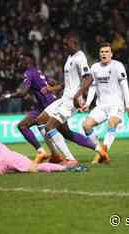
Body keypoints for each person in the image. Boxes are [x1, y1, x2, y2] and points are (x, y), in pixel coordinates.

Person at [3, 53, 96, 163]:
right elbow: (52, 82)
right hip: (48, 103)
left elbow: (22, 92)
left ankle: (50, 153)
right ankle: (97, 148)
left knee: (26, 125)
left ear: (27, 63)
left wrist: (9, 96)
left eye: (21, 61)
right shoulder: (39, 72)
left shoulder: (29, 73)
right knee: (66, 133)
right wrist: (48, 88)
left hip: (46, 105)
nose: (19, 63)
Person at [34, 32, 110, 167]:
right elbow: (69, 82)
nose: (64, 46)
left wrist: (78, 94)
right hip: (64, 98)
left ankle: (70, 159)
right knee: (41, 121)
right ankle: (98, 150)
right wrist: (53, 89)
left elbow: (88, 78)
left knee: (49, 126)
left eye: (66, 44)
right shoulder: (70, 57)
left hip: (71, 101)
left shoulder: (80, 58)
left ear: (74, 43)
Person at [81, 42, 129, 164]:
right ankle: (101, 152)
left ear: (111, 54)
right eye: (102, 52)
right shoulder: (94, 67)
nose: (104, 54)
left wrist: (128, 106)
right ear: (99, 54)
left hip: (116, 105)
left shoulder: (118, 66)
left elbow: (124, 85)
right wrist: (88, 103)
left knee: (111, 123)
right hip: (101, 105)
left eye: (107, 52)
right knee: (86, 125)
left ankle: (102, 153)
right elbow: (93, 87)